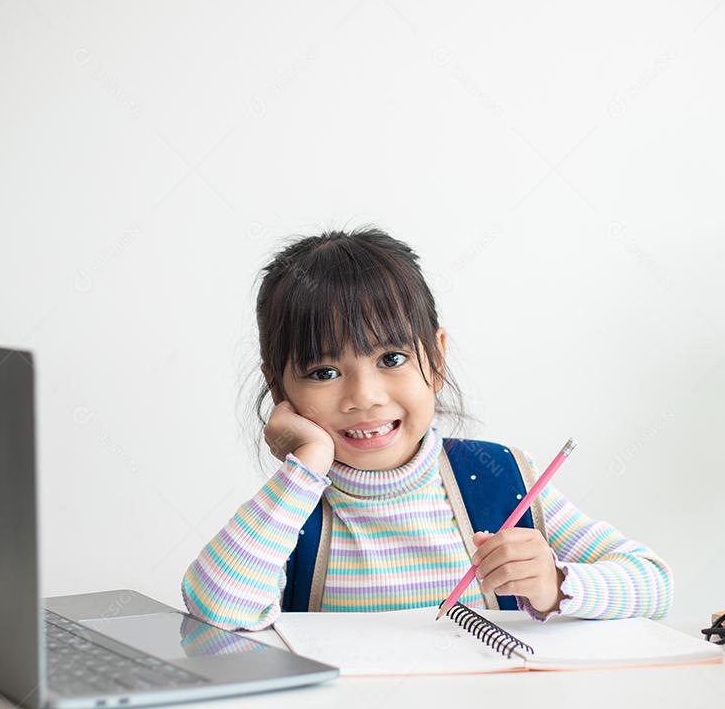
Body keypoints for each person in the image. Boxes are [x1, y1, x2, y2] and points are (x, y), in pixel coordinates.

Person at [181, 226, 672, 631]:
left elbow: (654, 584)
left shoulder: (498, 480)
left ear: (435, 360)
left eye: (391, 359)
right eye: (324, 372)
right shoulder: (290, 510)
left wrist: (557, 585)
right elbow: (215, 607)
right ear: (279, 386)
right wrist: (306, 464)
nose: (365, 396)